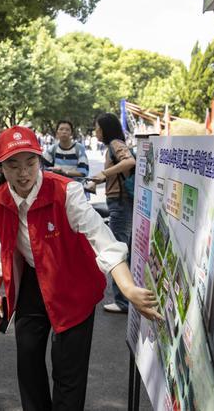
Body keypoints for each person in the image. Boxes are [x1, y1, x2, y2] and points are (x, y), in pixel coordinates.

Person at [0, 126, 160, 411]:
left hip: (73, 283)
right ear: (1, 166)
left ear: (40, 160)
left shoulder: (65, 192)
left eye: (30, 162)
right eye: (12, 165)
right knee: (28, 360)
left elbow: (102, 240)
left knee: (68, 371)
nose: (23, 173)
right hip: (31, 281)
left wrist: (127, 288)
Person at [91, 113, 137, 314]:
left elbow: (129, 162)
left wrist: (104, 174)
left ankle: (123, 301)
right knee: (125, 248)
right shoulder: (113, 146)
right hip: (119, 201)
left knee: (119, 251)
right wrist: (98, 181)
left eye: (97, 128)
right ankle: (128, 298)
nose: (96, 131)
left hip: (121, 203)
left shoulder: (116, 144)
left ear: (105, 129)